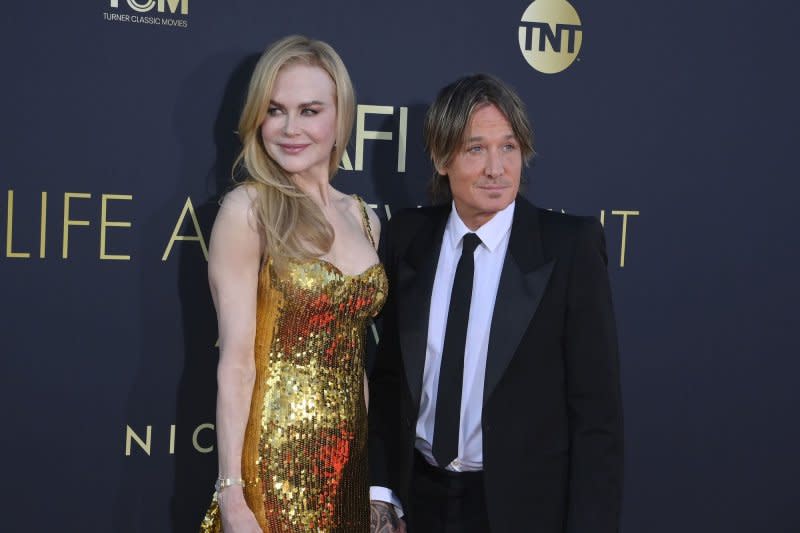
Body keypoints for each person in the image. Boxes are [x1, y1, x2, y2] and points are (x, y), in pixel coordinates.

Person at [368, 74, 623, 532]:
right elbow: (388, 379)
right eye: (475, 149)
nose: (496, 168)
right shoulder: (407, 238)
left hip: (522, 510)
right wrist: (383, 494)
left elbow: (597, 415)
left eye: (508, 147)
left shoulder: (568, 248)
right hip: (418, 500)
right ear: (441, 158)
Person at [199, 35, 386, 533]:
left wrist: (365, 478)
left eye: (309, 110)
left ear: (340, 116)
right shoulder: (249, 210)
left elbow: (355, 360)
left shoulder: (365, 218)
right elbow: (236, 363)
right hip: (274, 467)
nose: (289, 128)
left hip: (348, 467)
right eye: (275, 110)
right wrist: (233, 496)